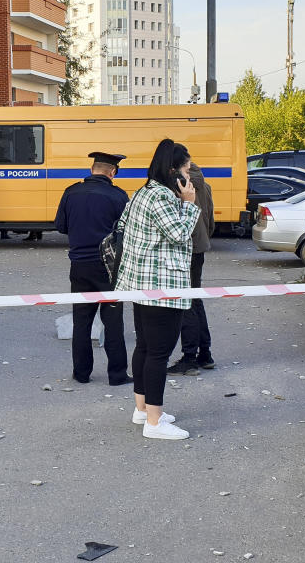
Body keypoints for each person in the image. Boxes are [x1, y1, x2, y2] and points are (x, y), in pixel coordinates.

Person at [115, 139, 200, 440]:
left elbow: (123, 224)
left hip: (140, 283)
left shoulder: (143, 192)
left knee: (146, 347)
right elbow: (178, 233)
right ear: (175, 171)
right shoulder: (163, 197)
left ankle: (143, 409)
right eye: (187, 171)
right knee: (159, 353)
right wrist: (189, 204)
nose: (190, 178)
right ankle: (154, 422)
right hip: (161, 285)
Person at [54, 152, 132, 386]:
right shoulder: (118, 196)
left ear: (92, 169)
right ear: (113, 172)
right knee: (114, 322)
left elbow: (61, 226)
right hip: (109, 267)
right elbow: (126, 232)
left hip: (78, 265)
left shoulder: (71, 192)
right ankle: (117, 375)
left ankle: (81, 374)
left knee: (82, 321)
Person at [168, 161, 215, 376]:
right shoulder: (204, 185)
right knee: (195, 299)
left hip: (186, 248)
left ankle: (189, 358)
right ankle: (205, 354)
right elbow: (210, 220)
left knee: (185, 302)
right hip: (200, 247)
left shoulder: (179, 185)